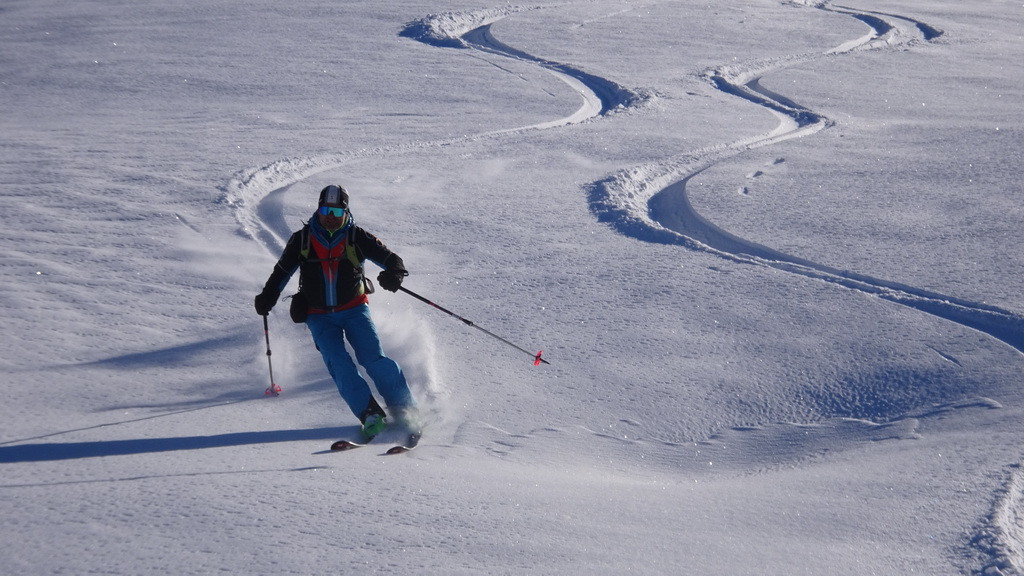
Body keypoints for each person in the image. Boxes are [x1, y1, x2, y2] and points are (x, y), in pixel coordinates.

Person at [254, 184, 416, 440]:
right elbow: (282, 272)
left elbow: (391, 259)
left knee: (373, 358)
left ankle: (405, 409)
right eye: (326, 210)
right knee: (339, 365)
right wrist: (268, 297)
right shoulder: (302, 239)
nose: (330, 217)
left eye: (337, 213)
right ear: (318, 209)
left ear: (345, 213)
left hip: (354, 310)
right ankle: (369, 414)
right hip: (318, 316)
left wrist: (395, 273)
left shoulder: (357, 236)